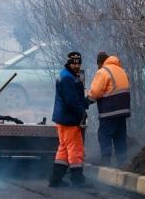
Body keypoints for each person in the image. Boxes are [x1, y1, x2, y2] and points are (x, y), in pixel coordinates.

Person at [49, 51, 90, 188]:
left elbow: (73, 98)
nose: (76, 65)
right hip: (69, 119)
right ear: (68, 62)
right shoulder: (68, 78)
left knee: (64, 149)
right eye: (74, 63)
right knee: (75, 149)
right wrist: (82, 113)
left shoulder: (67, 75)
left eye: (78, 63)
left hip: (63, 118)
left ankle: (55, 180)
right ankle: (78, 180)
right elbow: (72, 100)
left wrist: (85, 102)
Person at [87, 52, 130, 167]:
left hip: (110, 110)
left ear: (100, 63)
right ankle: (122, 162)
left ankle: (106, 161)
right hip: (123, 110)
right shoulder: (121, 70)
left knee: (104, 134)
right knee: (120, 136)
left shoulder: (103, 71)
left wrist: (87, 101)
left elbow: (95, 92)